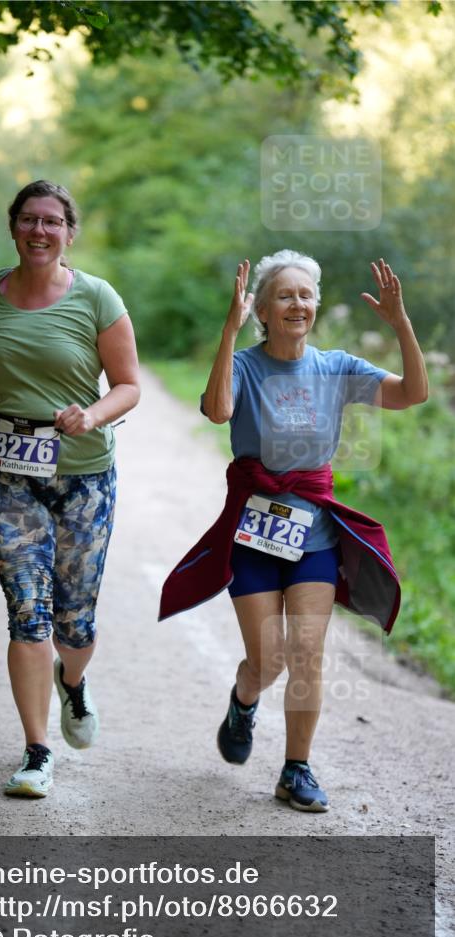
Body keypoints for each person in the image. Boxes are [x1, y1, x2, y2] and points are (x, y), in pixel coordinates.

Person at [160, 250, 428, 812]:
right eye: (285, 295)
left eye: (306, 295)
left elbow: (411, 395)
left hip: (315, 535)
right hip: (254, 534)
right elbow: (216, 409)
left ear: (317, 305)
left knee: (307, 652)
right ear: (262, 308)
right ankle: (244, 698)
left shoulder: (337, 367)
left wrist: (401, 323)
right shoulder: (247, 364)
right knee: (269, 659)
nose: (297, 304)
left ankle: (296, 769)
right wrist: (229, 333)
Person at [0, 179, 140, 797]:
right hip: (6, 472)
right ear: (13, 227)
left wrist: (93, 414)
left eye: (52, 221)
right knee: (27, 611)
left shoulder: (97, 298)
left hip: (84, 475)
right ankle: (35, 752)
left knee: (74, 622)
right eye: (28, 219)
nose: (39, 231)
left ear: (69, 233)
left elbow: (128, 384)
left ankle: (73, 683)